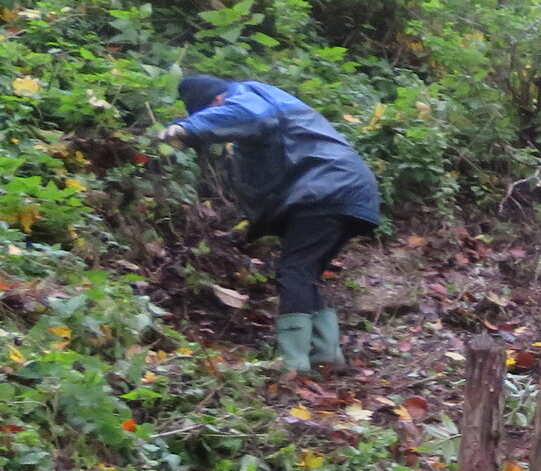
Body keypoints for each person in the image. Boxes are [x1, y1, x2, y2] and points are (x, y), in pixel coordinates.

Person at [159, 74, 381, 376]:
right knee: (304, 272)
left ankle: (294, 363)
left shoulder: (246, 96)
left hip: (328, 188)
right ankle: (325, 356)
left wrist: (187, 128)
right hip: (342, 189)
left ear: (217, 101)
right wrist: (251, 225)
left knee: (294, 271)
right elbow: (267, 180)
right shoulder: (264, 107)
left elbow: (251, 116)